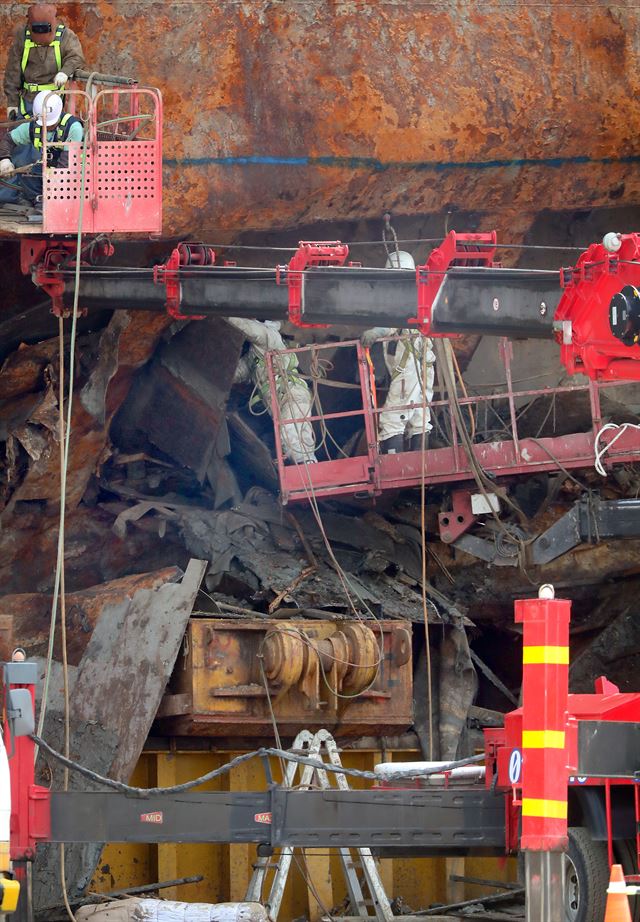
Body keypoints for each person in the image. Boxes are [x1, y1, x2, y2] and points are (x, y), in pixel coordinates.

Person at [361, 251, 436, 454]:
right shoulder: (422, 297)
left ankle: (396, 467)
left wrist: (377, 331)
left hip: (408, 370)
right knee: (419, 417)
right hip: (423, 368)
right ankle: (421, 466)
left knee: (393, 418)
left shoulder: (402, 299)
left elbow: (394, 321)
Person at [227, 317, 318, 464]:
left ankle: (304, 467)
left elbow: (247, 327)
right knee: (298, 433)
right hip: (281, 399)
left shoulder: (269, 335)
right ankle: (307, 464)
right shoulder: (254, 355)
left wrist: (221, 316)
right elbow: (235, 373)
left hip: (291, 393)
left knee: (291, 431)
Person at [0, 89, 83, 204]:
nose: (46, 127)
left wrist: (52, 191)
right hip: (50, 169)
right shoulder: (34, 126)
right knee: (27, 170)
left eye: (49, 124)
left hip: (75, 173)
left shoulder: (73, 127)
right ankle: (37, 200)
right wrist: (4, 160)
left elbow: (66, 164)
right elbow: (8, 140)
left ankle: (54, 202)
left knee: (58, 176)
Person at [4, 3, 85, 118]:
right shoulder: (22, 36)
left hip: (54, 98)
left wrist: (65, 72)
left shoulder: (65, 36)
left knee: (52, 133)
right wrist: (12, 103)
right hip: (29, 98)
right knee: (22, 132)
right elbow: (13, 71)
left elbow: (77, 57)